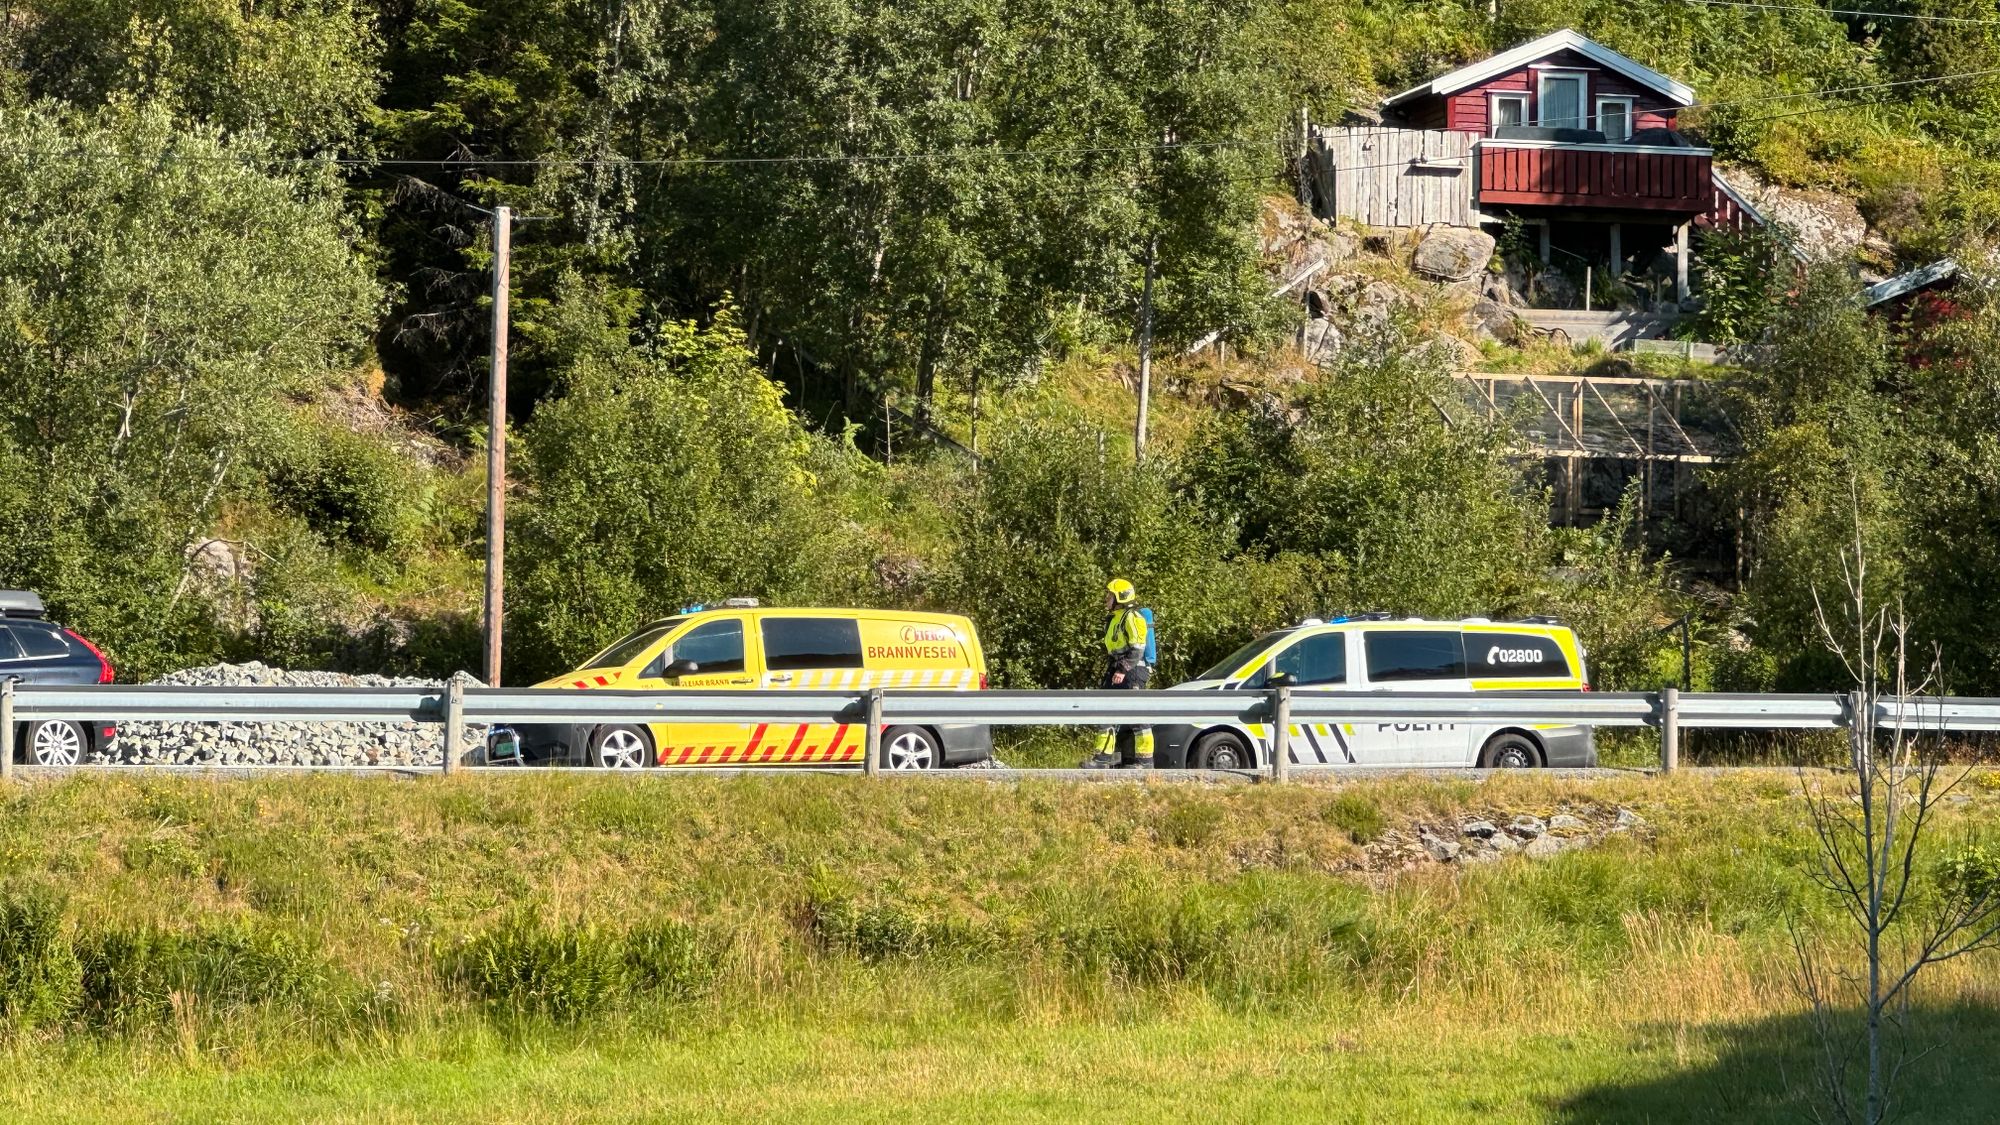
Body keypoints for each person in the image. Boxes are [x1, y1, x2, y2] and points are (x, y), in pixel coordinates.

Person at [1082, 577, 1153, 769]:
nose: (1106, 599)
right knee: (1106, 711)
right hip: (1119, 668)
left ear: (1120, 597)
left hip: (1133, 671)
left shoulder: (1133, 616)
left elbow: (1138, 648)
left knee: (1136, 715)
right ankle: (1102, 758)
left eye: (1110, 596)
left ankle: (1145, 762)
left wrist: (1123, 670)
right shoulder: (1116, 618)